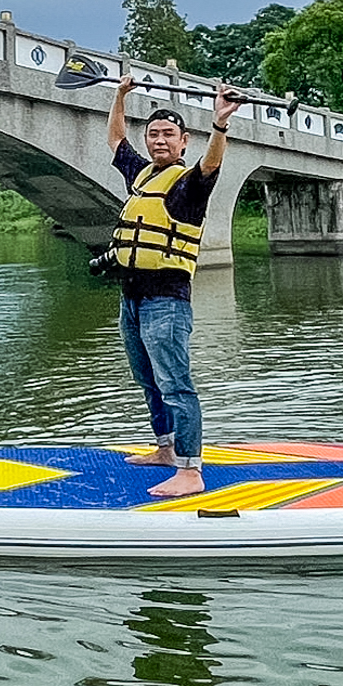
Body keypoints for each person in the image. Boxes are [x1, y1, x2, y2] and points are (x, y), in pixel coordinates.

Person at [102, 77, 240, 498]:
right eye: (154, 134)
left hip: (168, 299)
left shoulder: (188, 184)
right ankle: (164, 448)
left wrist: (220, 125)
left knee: (176, 383)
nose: (160, 141)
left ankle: (190, 470)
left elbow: (213, 164)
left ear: (184, 142)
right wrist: (120, 96)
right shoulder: (141, 174)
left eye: (169, 135)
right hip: (132, 296)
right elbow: (115, 140)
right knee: (147, 378)